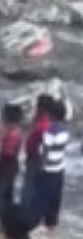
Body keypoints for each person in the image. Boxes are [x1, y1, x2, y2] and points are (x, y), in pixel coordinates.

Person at [33, 98, 68, 231]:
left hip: (48, 168)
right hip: (59, 168)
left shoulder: (50, 130)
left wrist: (40, 167)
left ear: (51, 114)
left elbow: (45, 150)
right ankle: (51, 223)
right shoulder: (64, 129)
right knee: (55, 197)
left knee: (41, 196)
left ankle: (36, 222)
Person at [21, 93, 53, 216]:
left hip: (36, 158)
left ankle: (27, 212)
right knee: (30, 185)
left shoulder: (44, 123)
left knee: (29, 187)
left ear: (42, 108)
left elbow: (45, 143)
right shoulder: (39, 119)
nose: (35, 108)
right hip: (32, 156)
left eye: (37, 105)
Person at [0, 104, 23, 220]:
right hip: (12, 163)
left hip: (7, 162)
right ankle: (7, 216)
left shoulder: (10, 131)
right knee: (7, 191)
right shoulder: (17, 130)